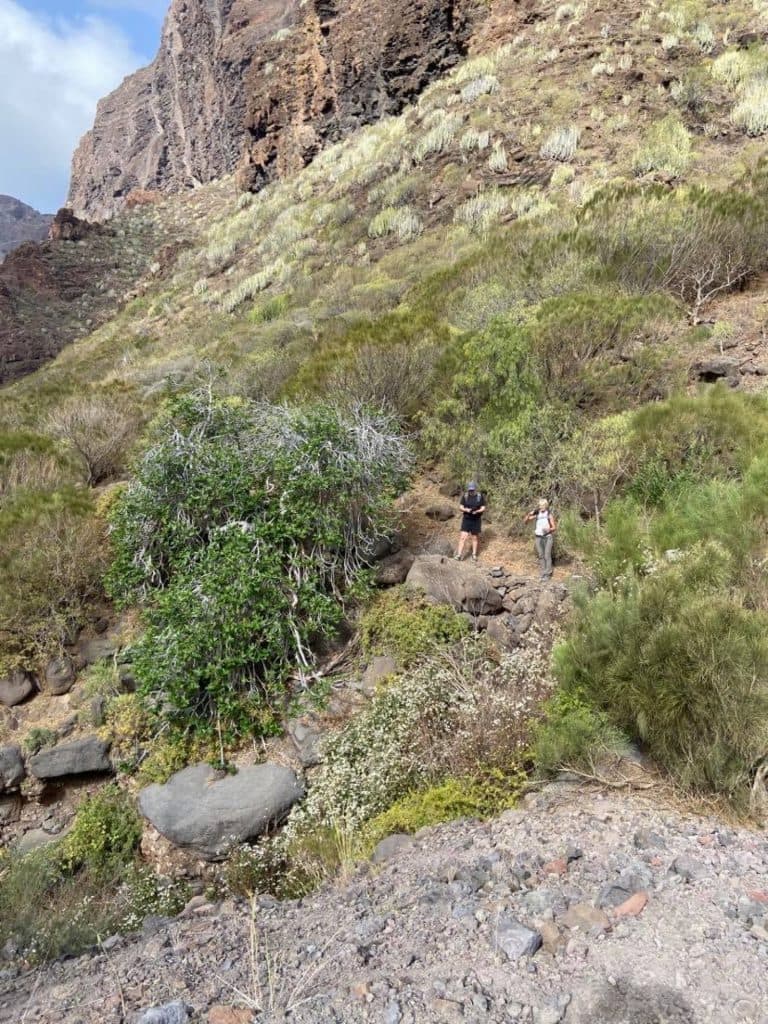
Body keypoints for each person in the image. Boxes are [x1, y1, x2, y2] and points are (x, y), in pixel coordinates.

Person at [525, 498, 557, 580]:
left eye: (542, 505)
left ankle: (548, 574)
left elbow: (554, 527)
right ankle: (543, 572)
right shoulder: (537, 514)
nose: (541, 507)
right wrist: (529, 514)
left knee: (547, 555)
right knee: (541, 555)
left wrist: (548, 529)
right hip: (538, 537)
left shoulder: (549, 514)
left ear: (546, 506)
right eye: (540, 505)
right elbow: (525, 521)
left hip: (547, 537)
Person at [455, 482, 486, 562]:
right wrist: (466, 510)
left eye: (472, 490)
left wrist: (478, 511)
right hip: (467, 519)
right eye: (470, 490)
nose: (471, 491)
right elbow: (461, 507)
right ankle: (459, 555)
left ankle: (474, 555)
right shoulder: (465, 496)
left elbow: (483, 507)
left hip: (476, 520)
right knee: (462, 537)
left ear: (475, 489)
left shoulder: (480, 496)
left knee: (474, 538)